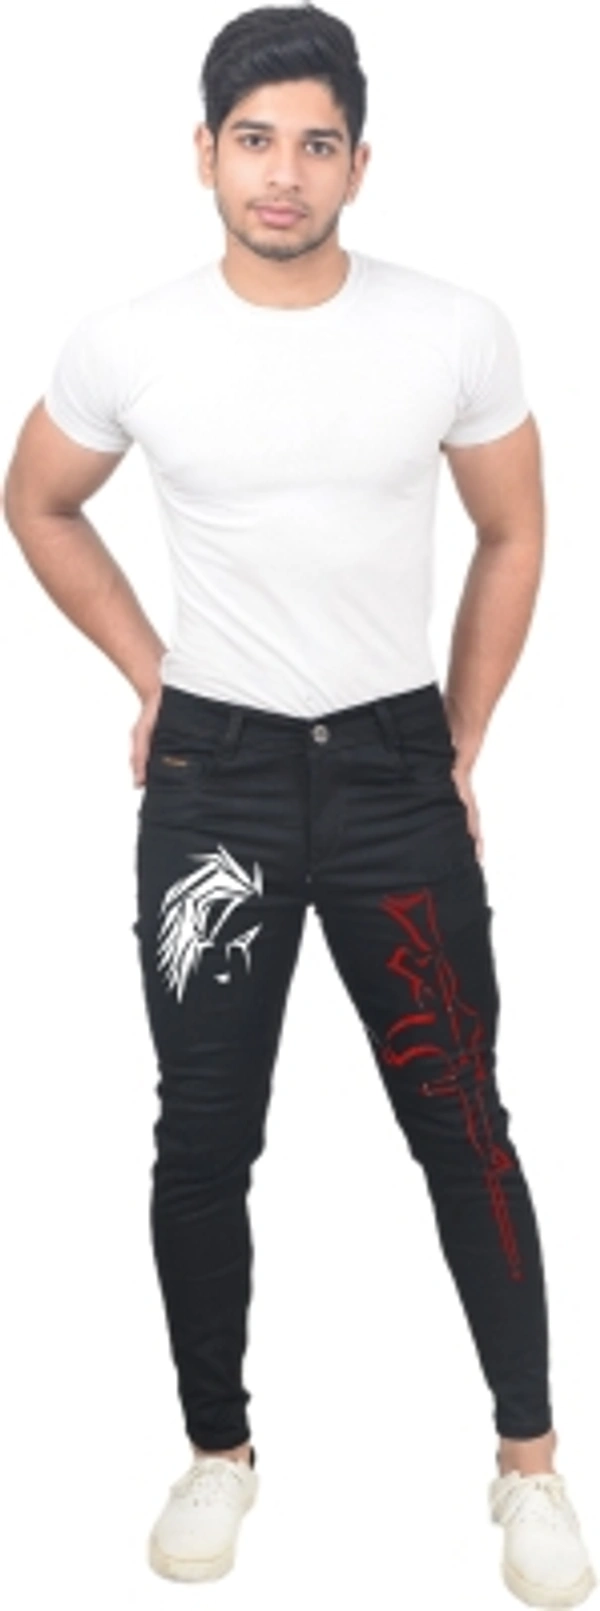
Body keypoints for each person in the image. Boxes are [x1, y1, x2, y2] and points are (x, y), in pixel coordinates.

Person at [3, 4, 595, 1603]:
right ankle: (218, 1447)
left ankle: (531, 1465)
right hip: (218, 781)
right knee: (203, 1134)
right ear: (204, 152)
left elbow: (515, 530)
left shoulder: (452, 328)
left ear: (358, 162)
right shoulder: (130, 340)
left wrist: (461, 740)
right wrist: (151, 673)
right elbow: (39, 501)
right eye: (255, 140)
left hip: (394, 769)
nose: (284, 173)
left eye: (315, 143)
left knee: (462, 1118)